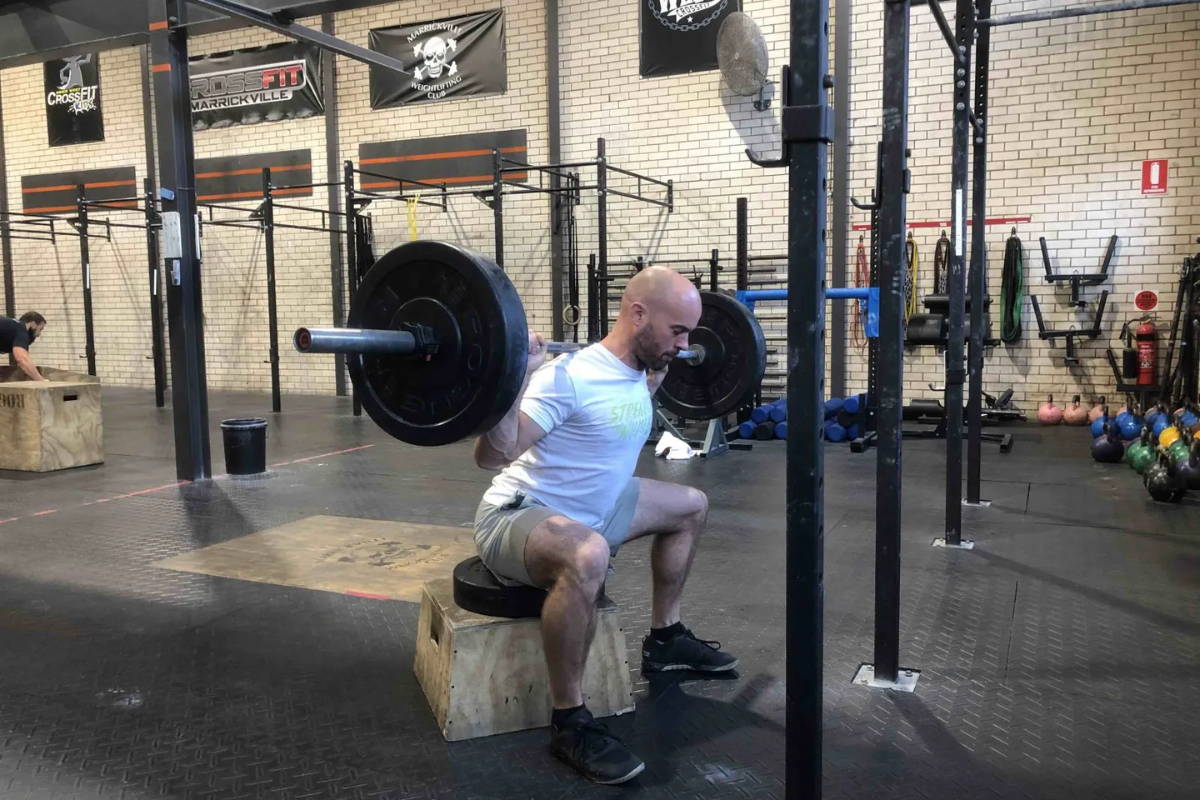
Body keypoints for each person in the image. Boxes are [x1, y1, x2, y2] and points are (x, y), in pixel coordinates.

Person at [473, 267, 737, 785]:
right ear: (638, 315)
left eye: (690, 334)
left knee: (691, 505)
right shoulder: (564, 377)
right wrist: (514, 376)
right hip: (518, 514)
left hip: (596, 507)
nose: (684, 346)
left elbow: (631, 399)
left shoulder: (641, 370)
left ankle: (665, 639)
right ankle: (570, 721)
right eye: (677, 331)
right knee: (588, 553)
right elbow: (491, 455)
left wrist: (659, 368)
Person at [0, 312, 47, 381]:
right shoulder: (21, 330)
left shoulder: (12, 327)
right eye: (40, 329)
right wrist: (41, 380)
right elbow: (22, 359)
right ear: (33, 324)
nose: (39, 335)